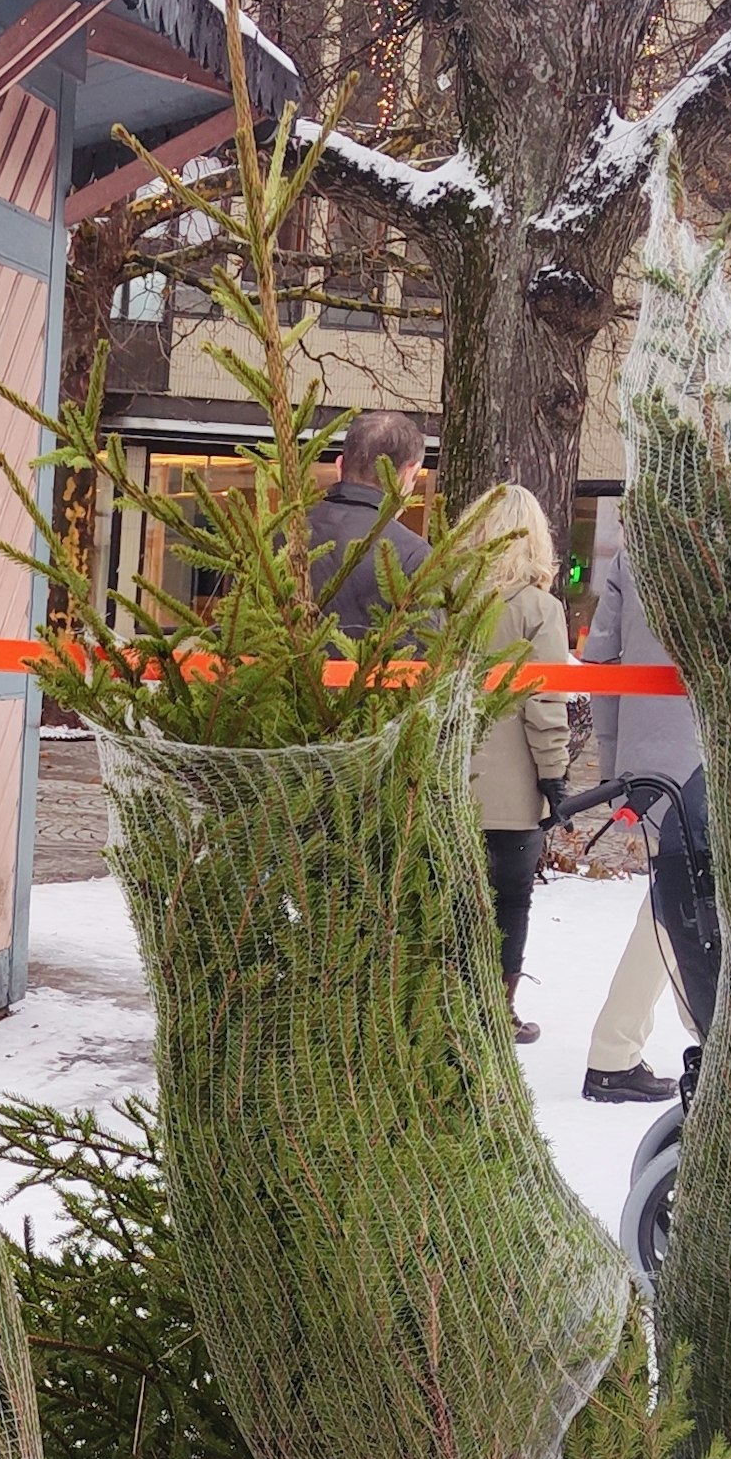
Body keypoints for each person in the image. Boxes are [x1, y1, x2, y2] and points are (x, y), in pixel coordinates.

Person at [444, 482, 574, 1040]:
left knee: (448, 897)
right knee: (508, 903)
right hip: (512, 790)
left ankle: (440, 1002)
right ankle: (497, 1008)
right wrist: (555, 776)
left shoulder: (440, 596)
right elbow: (544, 701)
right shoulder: (538, 609)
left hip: (445, 776)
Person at [576, 509, 694, 1103]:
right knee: (680, 905)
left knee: (681, 901)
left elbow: (602, 663)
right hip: (717, 762)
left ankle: (649, 1043)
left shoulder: (637, 557)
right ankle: (617, 1051)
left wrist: (617, 758)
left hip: (655, 759)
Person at [305, 408, 431, 636]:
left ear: (340, 465)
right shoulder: (414, 556)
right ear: (410, 473)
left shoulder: (282, 533)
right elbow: (424, 656)